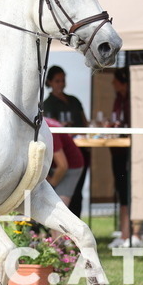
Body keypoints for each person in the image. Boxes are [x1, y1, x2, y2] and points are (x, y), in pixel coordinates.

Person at [43, 65, 89, 217]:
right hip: (59, 152)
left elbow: (85, 123)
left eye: (63, 80)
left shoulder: (74, 100)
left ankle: (74, 225)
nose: (61, 84)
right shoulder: (48, 104)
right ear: (50, 82)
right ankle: (58, 231)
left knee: (76, 192)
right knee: (57, 195)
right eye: (57, 81)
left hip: (79, 149)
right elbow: (51, 129)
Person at [104, 68, 135, 248]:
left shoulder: (133, 100)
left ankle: (131, 233)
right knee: (122, 191)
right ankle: (125, 233)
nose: (112, 83)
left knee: (129, 192)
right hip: (119, 150)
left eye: (115, 80)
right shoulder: (119, 99)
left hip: (133, 151)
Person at [44, 116, 86, 208]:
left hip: (72, 165)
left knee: (59, 207)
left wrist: (51, 185)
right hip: (53, 165)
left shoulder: (49, 130)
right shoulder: (44, 123)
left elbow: (63, 166)